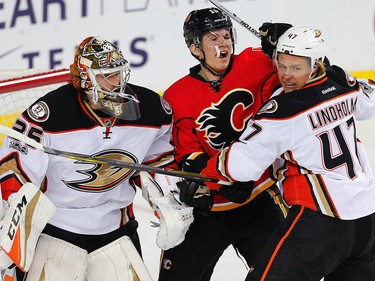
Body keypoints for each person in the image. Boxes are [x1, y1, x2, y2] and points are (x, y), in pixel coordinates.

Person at [200, 25, 375, 280]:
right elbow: (369, 102)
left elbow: (242, 165)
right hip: (366, 221)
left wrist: (208, 172)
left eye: (296, 68)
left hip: (321, 220)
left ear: (315, 65)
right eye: (281, 65)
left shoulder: (284, 111)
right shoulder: (341, 82)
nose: (287, 76)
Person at [0, 36, 175, 280]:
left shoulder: (151, 109)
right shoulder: (50, 114)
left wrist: (169, 199)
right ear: (85, 78)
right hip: (55, 230)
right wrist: (12, 227)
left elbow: (160, 160)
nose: (116, 83)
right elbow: (15, 168)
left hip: (116, 230)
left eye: (118, 73)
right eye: (106, 75)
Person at [159, 7, 289, 281]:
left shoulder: (257, 62)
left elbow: (304, 78)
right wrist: (220, 182)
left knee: (286, 274)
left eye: (226, 35)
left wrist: (287, 44)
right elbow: (189, 155)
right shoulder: (178, 95)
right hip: (207, 211)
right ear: (195, 48)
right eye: (213, 38)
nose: (224, 44)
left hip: (260, 198)